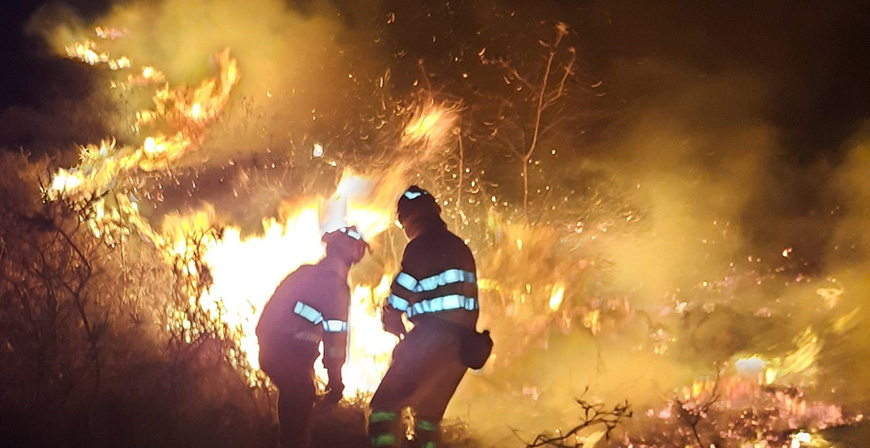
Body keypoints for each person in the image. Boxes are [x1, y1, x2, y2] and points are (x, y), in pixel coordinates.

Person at [368, 186, 481, 448]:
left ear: (410, 218)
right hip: (461, 348)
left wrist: (391, 316)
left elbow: (401, 290)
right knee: (428, 418)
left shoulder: (422, 245)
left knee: (384, 406)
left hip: (431, 339)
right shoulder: (460, 247)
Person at [256, 225, 369, 448]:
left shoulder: (303, 272)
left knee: (295, 401)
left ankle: (279, 436)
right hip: (290, 356)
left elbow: (267, 319)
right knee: (299, 405)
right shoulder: (335, 285)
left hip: (271, 350)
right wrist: (335, 379)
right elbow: (335, 336)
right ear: (352, 254)